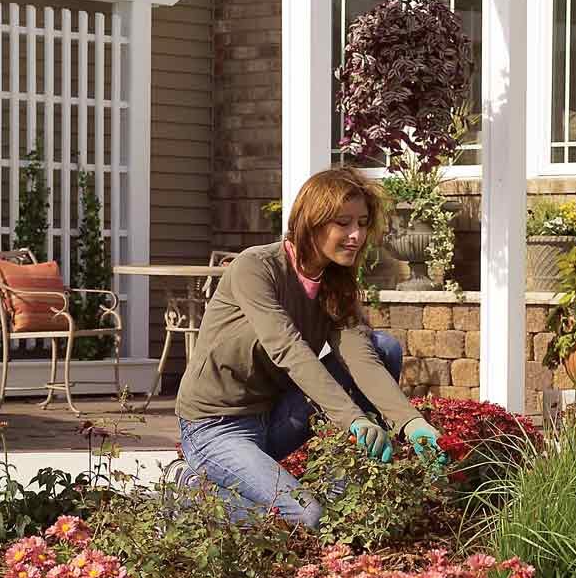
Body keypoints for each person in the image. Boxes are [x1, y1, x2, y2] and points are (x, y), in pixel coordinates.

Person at [175, 166, 443, 529]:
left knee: (383, 347)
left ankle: (338, 491)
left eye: (363, 223)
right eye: (343, 223)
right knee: (306, 516)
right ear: (311, 222)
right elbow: (289, 349)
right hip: (216, 426)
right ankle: (189, 494)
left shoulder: (336, 281)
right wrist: (353, 420)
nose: (356, 235)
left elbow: (362, 359)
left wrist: (411, 423)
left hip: (275, 416)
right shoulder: (255, 267)